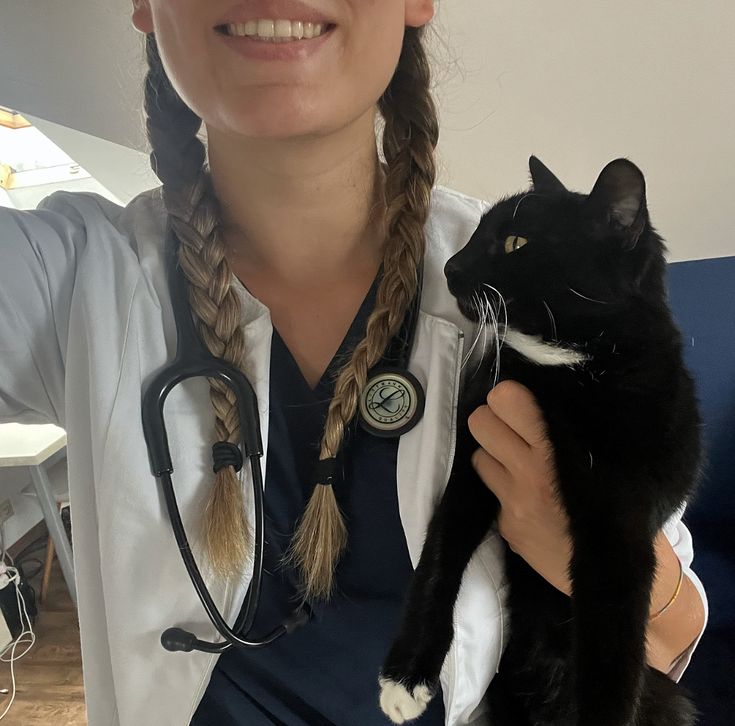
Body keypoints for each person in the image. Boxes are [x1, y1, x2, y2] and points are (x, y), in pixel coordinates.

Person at [0, 1, 707, 724]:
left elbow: (670, 627)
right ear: (147, 6)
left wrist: (578, 551)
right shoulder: (62, 278)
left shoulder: (537, 296)